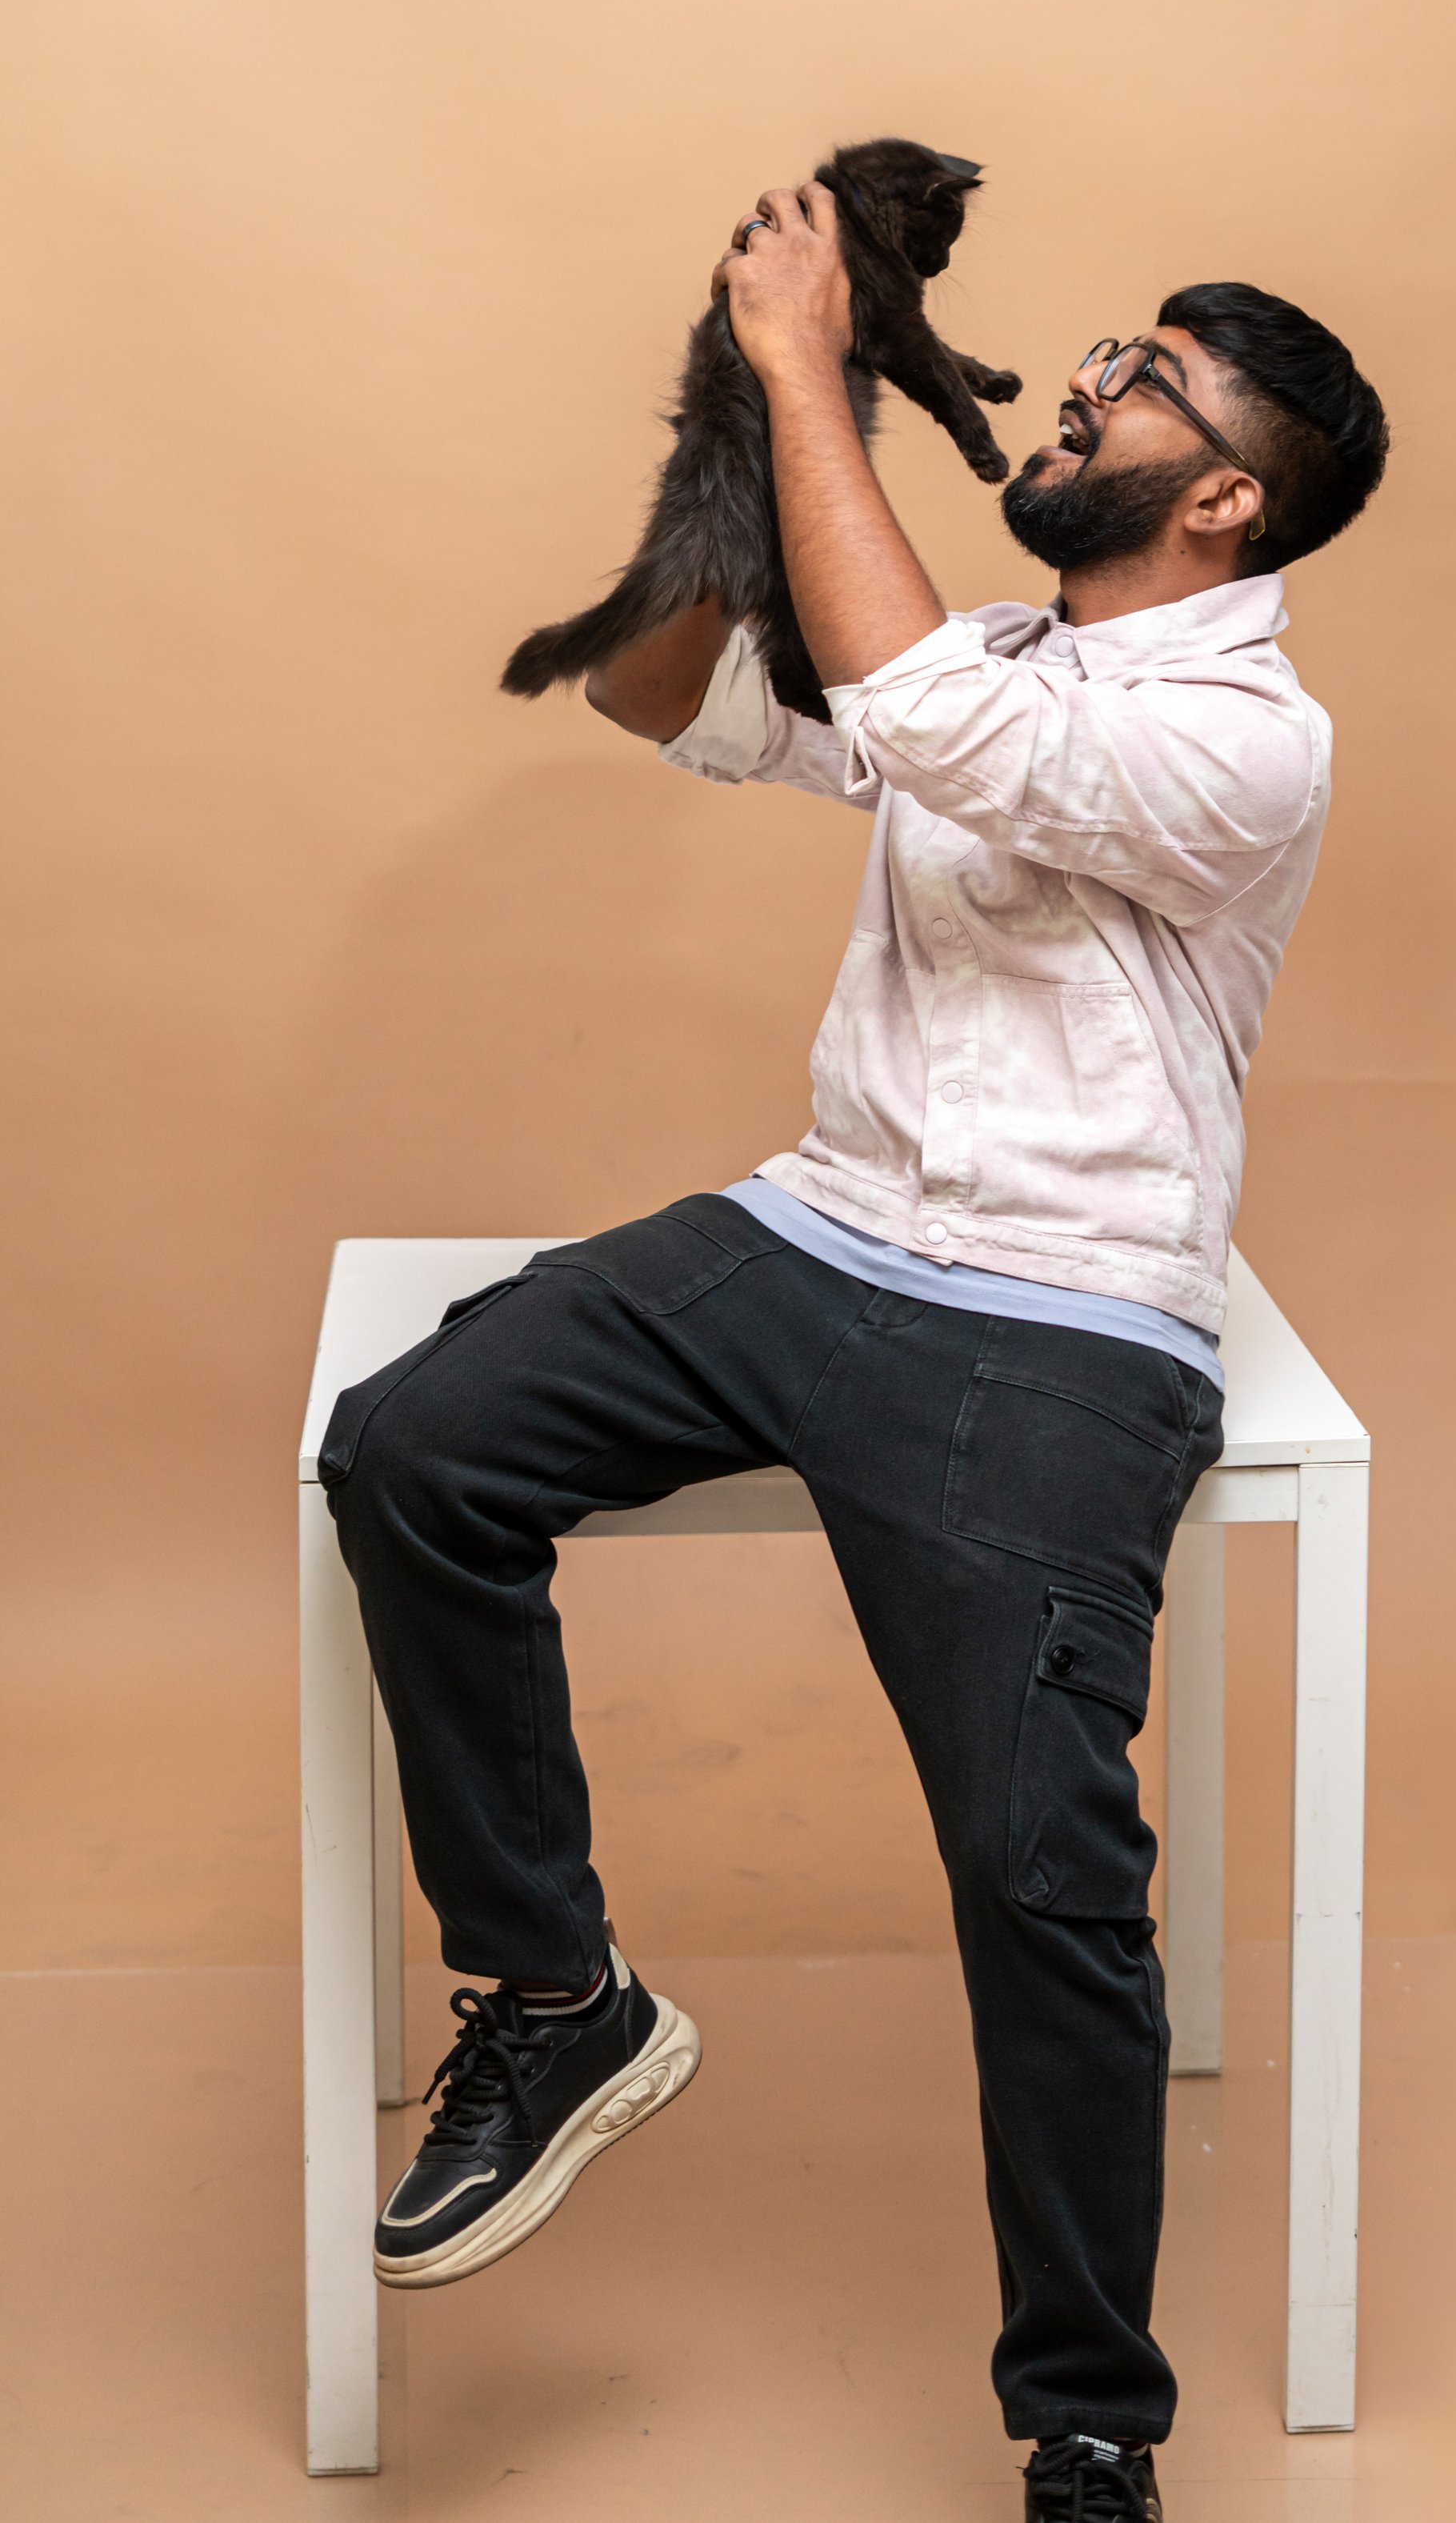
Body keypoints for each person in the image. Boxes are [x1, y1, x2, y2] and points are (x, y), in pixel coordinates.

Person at [319, 179, 1388, 2521]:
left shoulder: (1251, 737)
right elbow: (665, 691)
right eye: (1109, 345)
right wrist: (739, 399)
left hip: (1060, 1313)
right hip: (818, 1234)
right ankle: (559, 1991)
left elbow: (910, 708)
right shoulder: (992, 648)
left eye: (1146, 382)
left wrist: (817, 363)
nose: (1085, 378)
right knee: (413, 1451)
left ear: (1224, 500)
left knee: (1039, 1865)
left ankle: (1087, 2420)